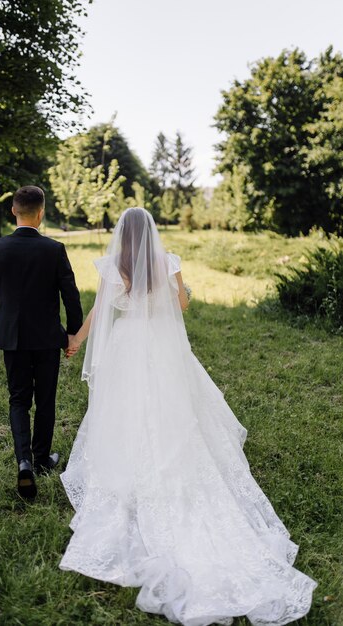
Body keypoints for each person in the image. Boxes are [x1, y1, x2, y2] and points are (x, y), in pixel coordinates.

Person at [60, 207, 316, 626]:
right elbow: (182, 305)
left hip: (128, 343)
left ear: (123, 234)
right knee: (172, 407)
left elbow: (99, 312)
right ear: (152, 233)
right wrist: (187, 292)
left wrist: (75, 341)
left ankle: (127, 467)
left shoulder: (112, 266)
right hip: (162, 347)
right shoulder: (168, 261)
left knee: (126, 411)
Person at [0, 185, 83, 499]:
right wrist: (72, 333)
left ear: (13, 210)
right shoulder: (54, 249)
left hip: (13, 338)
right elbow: (71, 296)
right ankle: (42, 459)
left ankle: (24, 461)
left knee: (18, 399)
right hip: (48, 338)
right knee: (46, 399)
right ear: (41, 213)